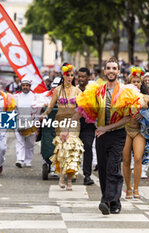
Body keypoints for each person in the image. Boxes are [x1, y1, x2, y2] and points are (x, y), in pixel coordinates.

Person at [76, 57, 141, 215]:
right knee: (104, 170)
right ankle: (112, 201)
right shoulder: (96, 90)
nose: (111, 71)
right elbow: (81, 109)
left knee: (113, 167)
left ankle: (107, 201)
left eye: (114, 68)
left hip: (117, 135)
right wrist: (66, 128)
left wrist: (107, 128)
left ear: (119, 72)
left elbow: (127, 118)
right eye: (109, 68)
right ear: (105, 71)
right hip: (100, 135)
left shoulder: (127, 91)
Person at [42, 63, 84, 191]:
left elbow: (82, 107)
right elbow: (51, 105)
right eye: (67, 75)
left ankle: (70, 179)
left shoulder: (78, 91)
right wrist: (45, 114)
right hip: (60, 122)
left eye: (72, 75)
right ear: (63, 75)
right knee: (62, 148)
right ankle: (61, 176)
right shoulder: (57, 90)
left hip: (74, 122)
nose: (69, 77)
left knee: (72, 148)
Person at [122, 67, 149, 199]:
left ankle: (136, 188)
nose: (135, 84)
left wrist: (145, 115)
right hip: (125, 130)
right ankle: (128, 188)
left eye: (137, 81)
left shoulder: (146, 98)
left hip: (139, 132)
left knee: (137, 158)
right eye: (133, 82)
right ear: (128, 84)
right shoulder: (123, 97)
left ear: (141, 83)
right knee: (125, 160)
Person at [14, 78, 46, 168]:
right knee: (20, 141)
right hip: (19, 122)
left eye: (27, 85)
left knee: (30, 143)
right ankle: (20, 159)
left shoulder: (35, 97)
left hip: (32, 123)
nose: (25, 87)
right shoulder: (16, 97)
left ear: (30, 86)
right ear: (21, 86)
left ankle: (28, 160)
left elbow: (39, 108)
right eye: (23, 85)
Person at [77, 67, 96, 185]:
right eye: (79, 76)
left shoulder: (93, 91)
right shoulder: (74, 90)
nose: (81, 79)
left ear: (89, 77)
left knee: (88, 147)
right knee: (72, 148)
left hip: (89, 125)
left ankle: (87, 175)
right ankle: (71, 172)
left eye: (83, 76)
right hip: (75, 124)